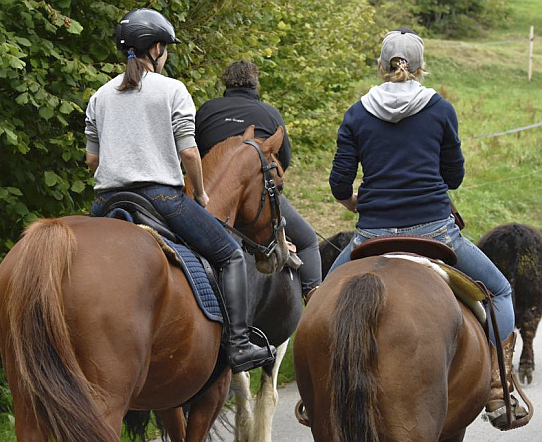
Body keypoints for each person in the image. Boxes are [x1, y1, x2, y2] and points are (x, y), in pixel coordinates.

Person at [326, 28, 528, 429]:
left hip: (371, 235)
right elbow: (453, 177)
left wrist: (357, 203)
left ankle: (319, 389)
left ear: (381, 67)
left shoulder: (356, 112)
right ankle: (496, 386)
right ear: (421, 68)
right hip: (436, 231)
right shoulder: (440, 109)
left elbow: (339, 185)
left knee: (319, 299)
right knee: (500, 291)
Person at [83, 8, 275, 374]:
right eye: (165, 47)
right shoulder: (172, 90)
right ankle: (237, 347)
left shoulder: (99, 97)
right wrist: (201, 193)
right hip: (160, 199)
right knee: (232, 255)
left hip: (107, 201)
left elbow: (92, 161)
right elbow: (188, 151)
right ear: (156, 49)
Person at [195, 60, 323, 300]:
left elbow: (197, 154)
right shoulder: (269, 113)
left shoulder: (206, 109)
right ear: (255, 85)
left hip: (210, 198)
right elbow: (283, 159)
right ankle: (313, 296)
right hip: (257, 197)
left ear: (226, 83)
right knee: (307, 240)